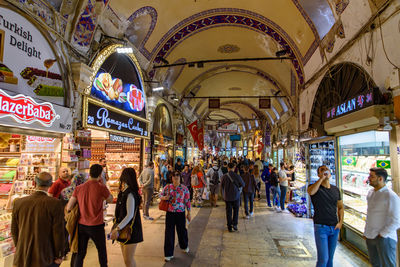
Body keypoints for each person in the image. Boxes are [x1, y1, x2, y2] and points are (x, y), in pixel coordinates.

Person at [11, 172, 65, 267]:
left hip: (23, 254)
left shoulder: (19, 202)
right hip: (45, 254)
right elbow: (58, 231)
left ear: (34, 183)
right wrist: (59, 254)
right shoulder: (55, 203)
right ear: (50, 185)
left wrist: (19, 247)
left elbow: (14, 230)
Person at [66, 164, 113, 267]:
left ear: (90, 173)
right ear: (100, 174)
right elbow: (110, 199)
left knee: (80, 252)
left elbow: (69, 207)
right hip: (97, 225)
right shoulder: (101, 187)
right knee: (101, 251)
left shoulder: (79, 188)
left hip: (81, 225)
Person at [307, 165, 344, 267]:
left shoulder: (336, 190)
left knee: (330, 260)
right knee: (323, 259)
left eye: (326, 169)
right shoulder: (314, 187)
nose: (325, 171)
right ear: (318, 174)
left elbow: (340, 207)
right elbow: (311, 192)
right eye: (322, 170)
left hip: (334, 227)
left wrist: (340, 222)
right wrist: (321, 179)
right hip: (321, 227)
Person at [364, 167, 400, 267]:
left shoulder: (390, 196)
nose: (369, 178)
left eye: (371, 176)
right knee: (375, 264)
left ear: (380, 179)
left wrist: (382, 235)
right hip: (370, 236)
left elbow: (397, 220)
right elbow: (370, 214)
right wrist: (366, 232)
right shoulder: (371, 193)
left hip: (385, 238)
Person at [110, 168, 143, 267]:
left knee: (128, 260)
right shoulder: (124, 192)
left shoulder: (130, 194)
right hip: (124, 229)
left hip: (130, 230)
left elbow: (130, 215)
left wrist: (117, 228)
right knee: (127, 260)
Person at [160, 171, 191, 262]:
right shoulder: (167, 187)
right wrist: (164, 198)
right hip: (170, 213)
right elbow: (160, 195)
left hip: (180, 212)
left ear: (180, 177)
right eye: (174, 176)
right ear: (172, 177)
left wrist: (188, 213)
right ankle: (168, 254)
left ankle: (184, 246)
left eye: (178, 175)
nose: (176, 177)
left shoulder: (184, 188)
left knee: (182, 231)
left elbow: (187, 201)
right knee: (169, 233)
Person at [221, 162, 245, 232]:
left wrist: (223, 195)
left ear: (228, 168)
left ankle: (229, 226)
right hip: (236, 196)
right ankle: (235, 224)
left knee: (228, 212)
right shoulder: (237, 176)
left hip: (227, 197)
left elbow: (221, 187)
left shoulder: (224, 176)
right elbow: (243, 184)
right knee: (236, 211)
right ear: (234, 168)